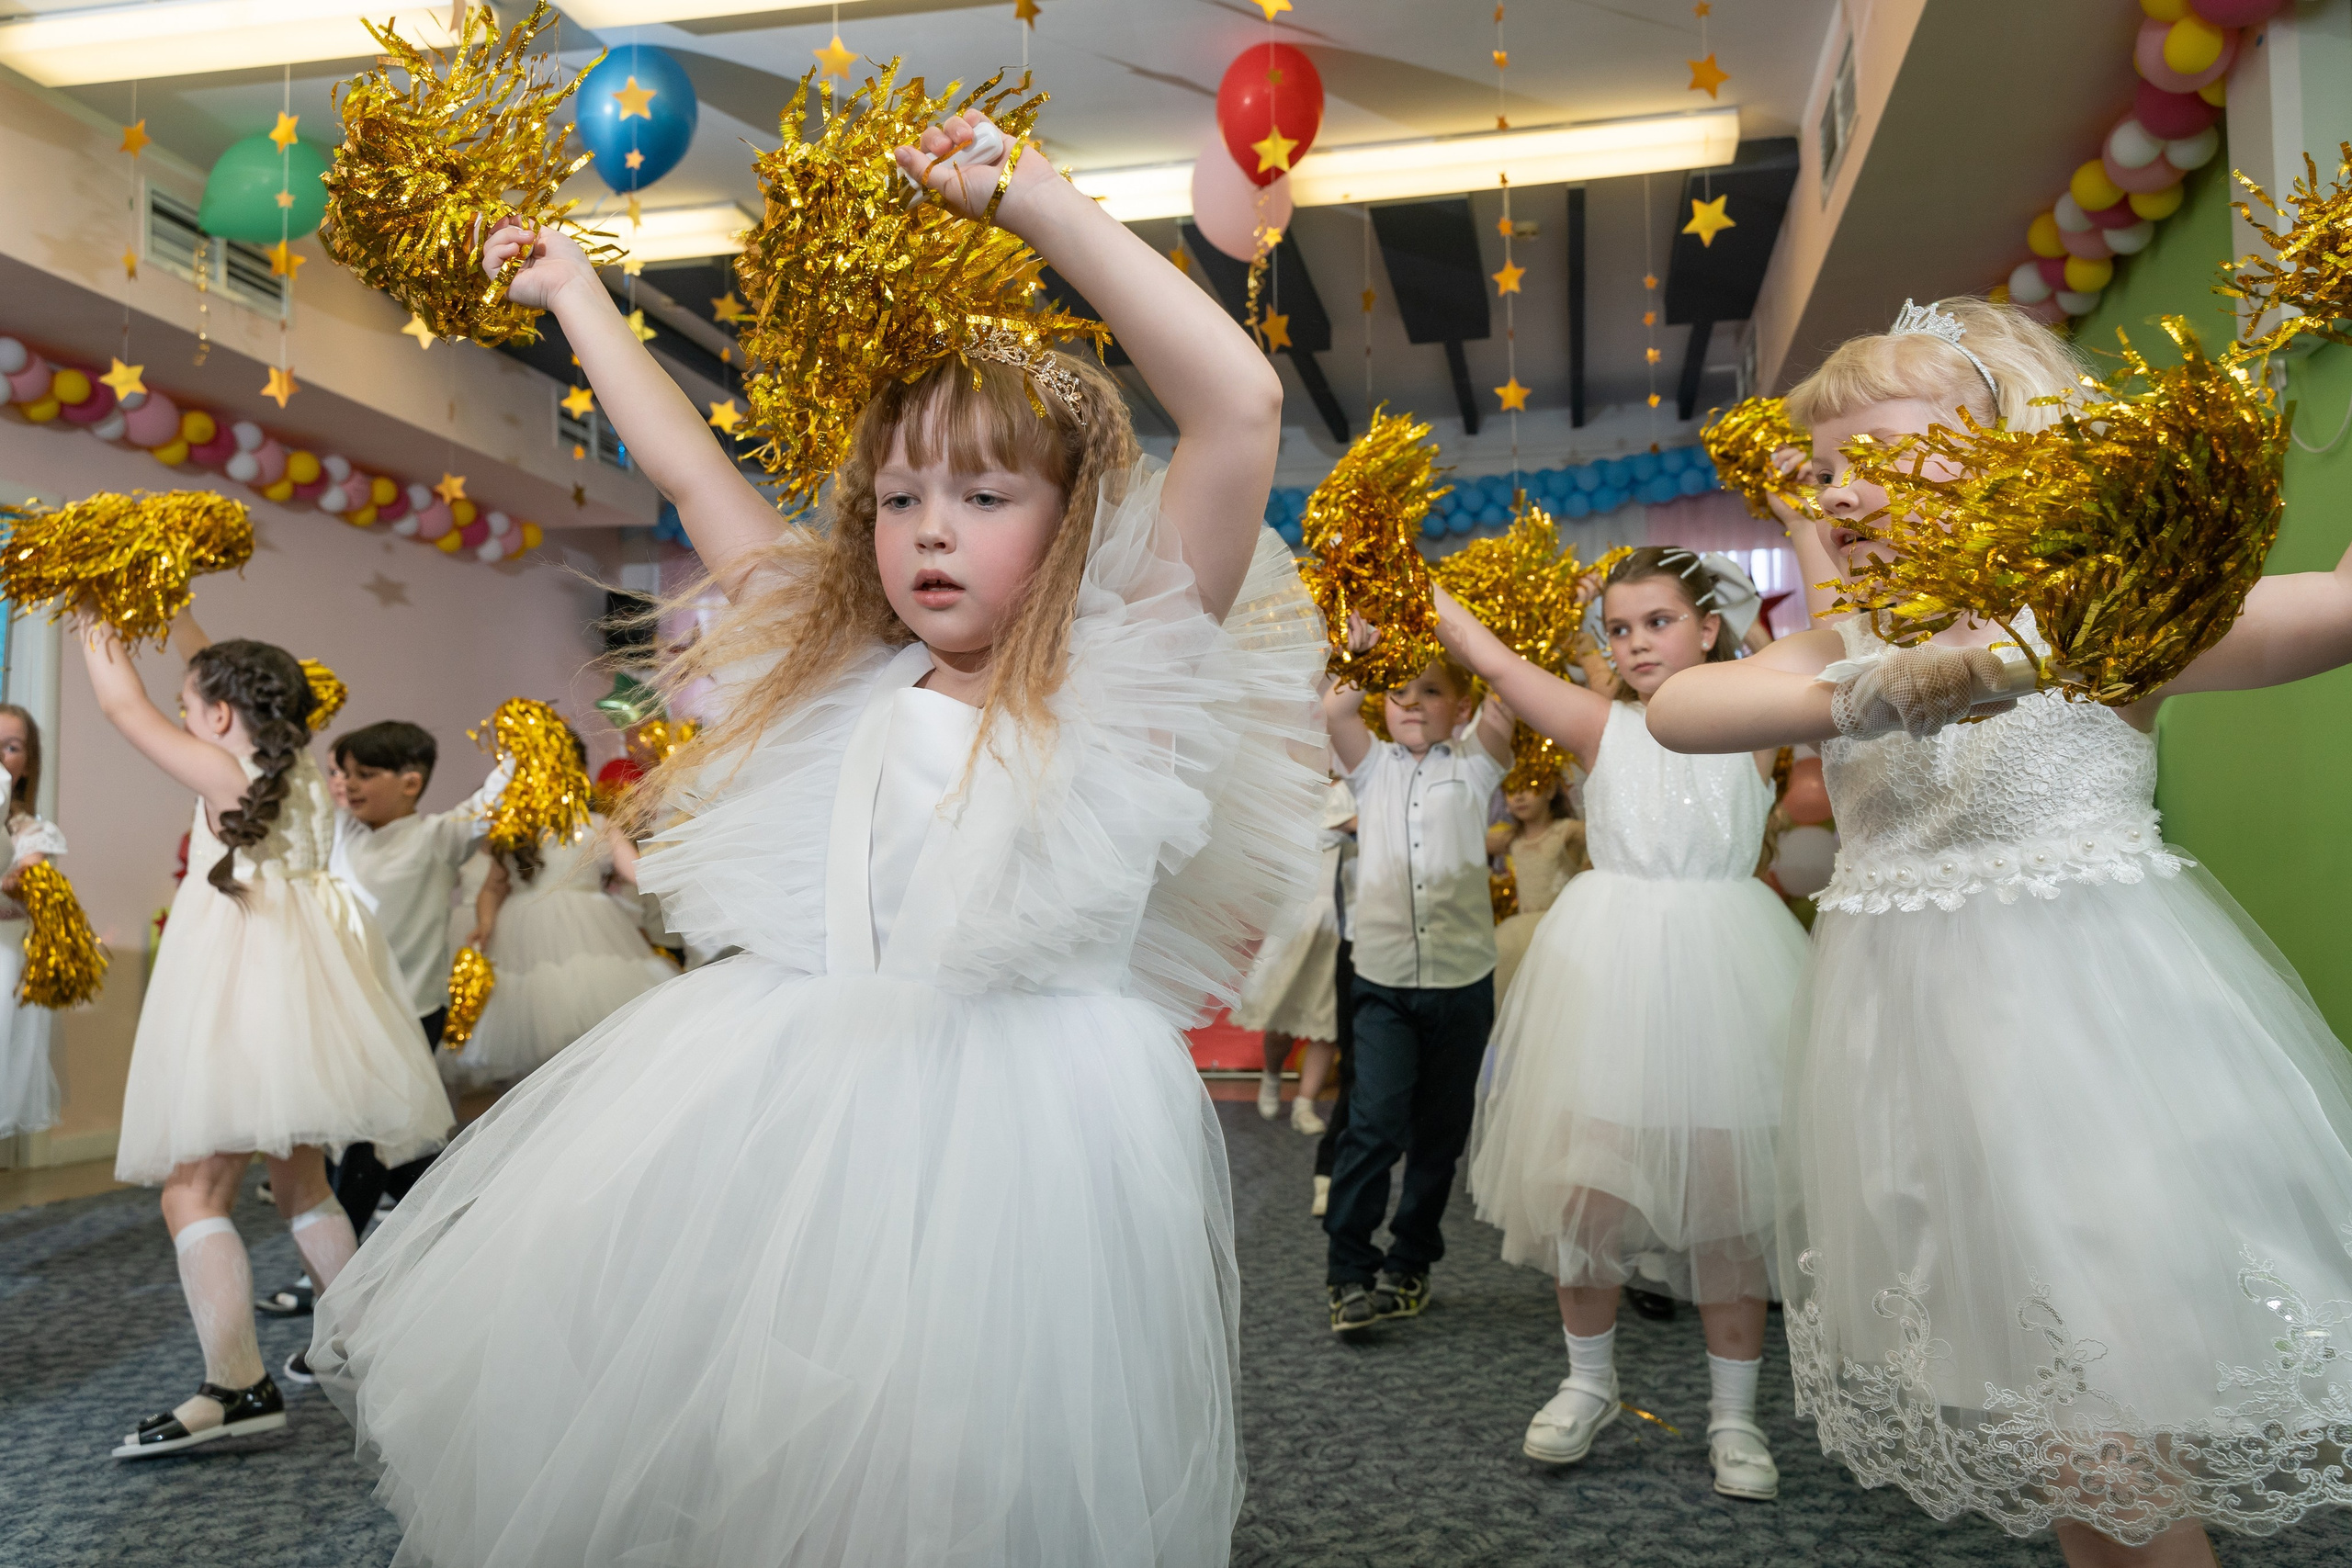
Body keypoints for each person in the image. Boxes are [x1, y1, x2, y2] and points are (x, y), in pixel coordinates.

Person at [309, 105, 1319, 1566]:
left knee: (966, 1450)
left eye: (982, 496)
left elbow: (1237, 408)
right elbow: (694, 477)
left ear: (1074, 512)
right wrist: (578, 296)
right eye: (900, 497)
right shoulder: (843, 665)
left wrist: (1037, 199)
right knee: (766, 1428)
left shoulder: (1128, 659)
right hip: (786, 1087)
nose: (928, 531)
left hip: (1028, 1123)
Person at [1645, 295, 2352, 1565]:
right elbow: (1682, 708)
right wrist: (1877, 687)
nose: (1843, 492)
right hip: (1918, 1077)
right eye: (1822, 472)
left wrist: (2005, 662)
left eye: (1883, 451)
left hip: (2094, 1059)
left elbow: (2338, 607)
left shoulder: (2104, 621)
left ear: (2010, 446)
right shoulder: (1844, 640)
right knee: (2067, 1435)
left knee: (2114, 1436)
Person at [1445, 550, 1805, 1497]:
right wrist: (1411, 584)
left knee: (1731, 1211)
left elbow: (1830, 635)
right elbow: (1493, 664)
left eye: (1657, 620)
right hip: (1609, 978)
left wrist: (1800, 515)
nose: (1636, 642)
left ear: (1709, 628)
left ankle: (1734, 1417)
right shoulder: (1600, 728)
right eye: (1618, 627)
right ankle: (1588, 1383)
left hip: (1729, 972)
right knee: (1587, 1197)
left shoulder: (1759, 718)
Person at [80, 618, 448, 1457]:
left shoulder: (223, 768)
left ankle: (237, 1382)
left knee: (192, 1191)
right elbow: (206, 679)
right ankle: (371, 1339)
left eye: (189, 704)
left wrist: (94, 605)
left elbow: (118, 704)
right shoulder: (304, 779)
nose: (179, 715)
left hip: (243, 998)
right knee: (304, 1184)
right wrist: (170, 608)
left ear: (218, 717)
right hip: (303, 1002)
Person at [253, 720, 511, 1320]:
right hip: (347, 1006)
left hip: (413, 1010)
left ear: (411, 781)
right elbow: (302, 785)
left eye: (365, 773)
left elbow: (495, 796)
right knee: (389, 1142)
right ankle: (457, 1226)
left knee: (366, 1140)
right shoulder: (338, 829)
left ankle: (328, 1277)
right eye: (343, 772)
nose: (347, 784)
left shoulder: (437, 837)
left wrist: (522, 740)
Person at [1320, 653, 1511, 1333]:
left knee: (1439, 1133)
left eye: (1430, 691)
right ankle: (1348, 1269)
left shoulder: (1478, 764)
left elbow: (1509, 696)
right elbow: (1335, 709)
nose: (1410, 701)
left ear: (1461, 708)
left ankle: (1411, 1260)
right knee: (1371, 1124)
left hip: (1462, 980)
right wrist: (1359, 655)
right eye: (1398, 690)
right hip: (1384, 980)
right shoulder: (1369, 767)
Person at [444, 728, 677, 1089]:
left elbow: (636, 872)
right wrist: (486, 922)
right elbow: (493, 886)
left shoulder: (596, 823)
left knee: (590, 1013)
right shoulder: (516, 831)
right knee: (542, 1022)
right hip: (525, 933)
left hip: (588, 926)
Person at [1233, 776, 1355, 1135]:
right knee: (1281, 1012)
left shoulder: (1375, 789)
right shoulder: (1321, 793)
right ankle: (1272, 1075)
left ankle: (1305, 1102)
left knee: (1326, 1019)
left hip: (1348, 920)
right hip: (1303, 918)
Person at [0, 704, 66, 1141]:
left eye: (12, 746)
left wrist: (16, 885)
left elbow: (26, 888)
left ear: (26, 764)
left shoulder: (29, 832)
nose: (0, 755)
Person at [1485, 773, 1585, 1004]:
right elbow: (1468, 840)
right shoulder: (1511, 839)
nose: (1518, 796)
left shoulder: (1568, 831)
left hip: (1561, 934)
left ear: (1550, 790)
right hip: (1521, 938)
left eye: (1529, 784)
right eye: (1511, 790)